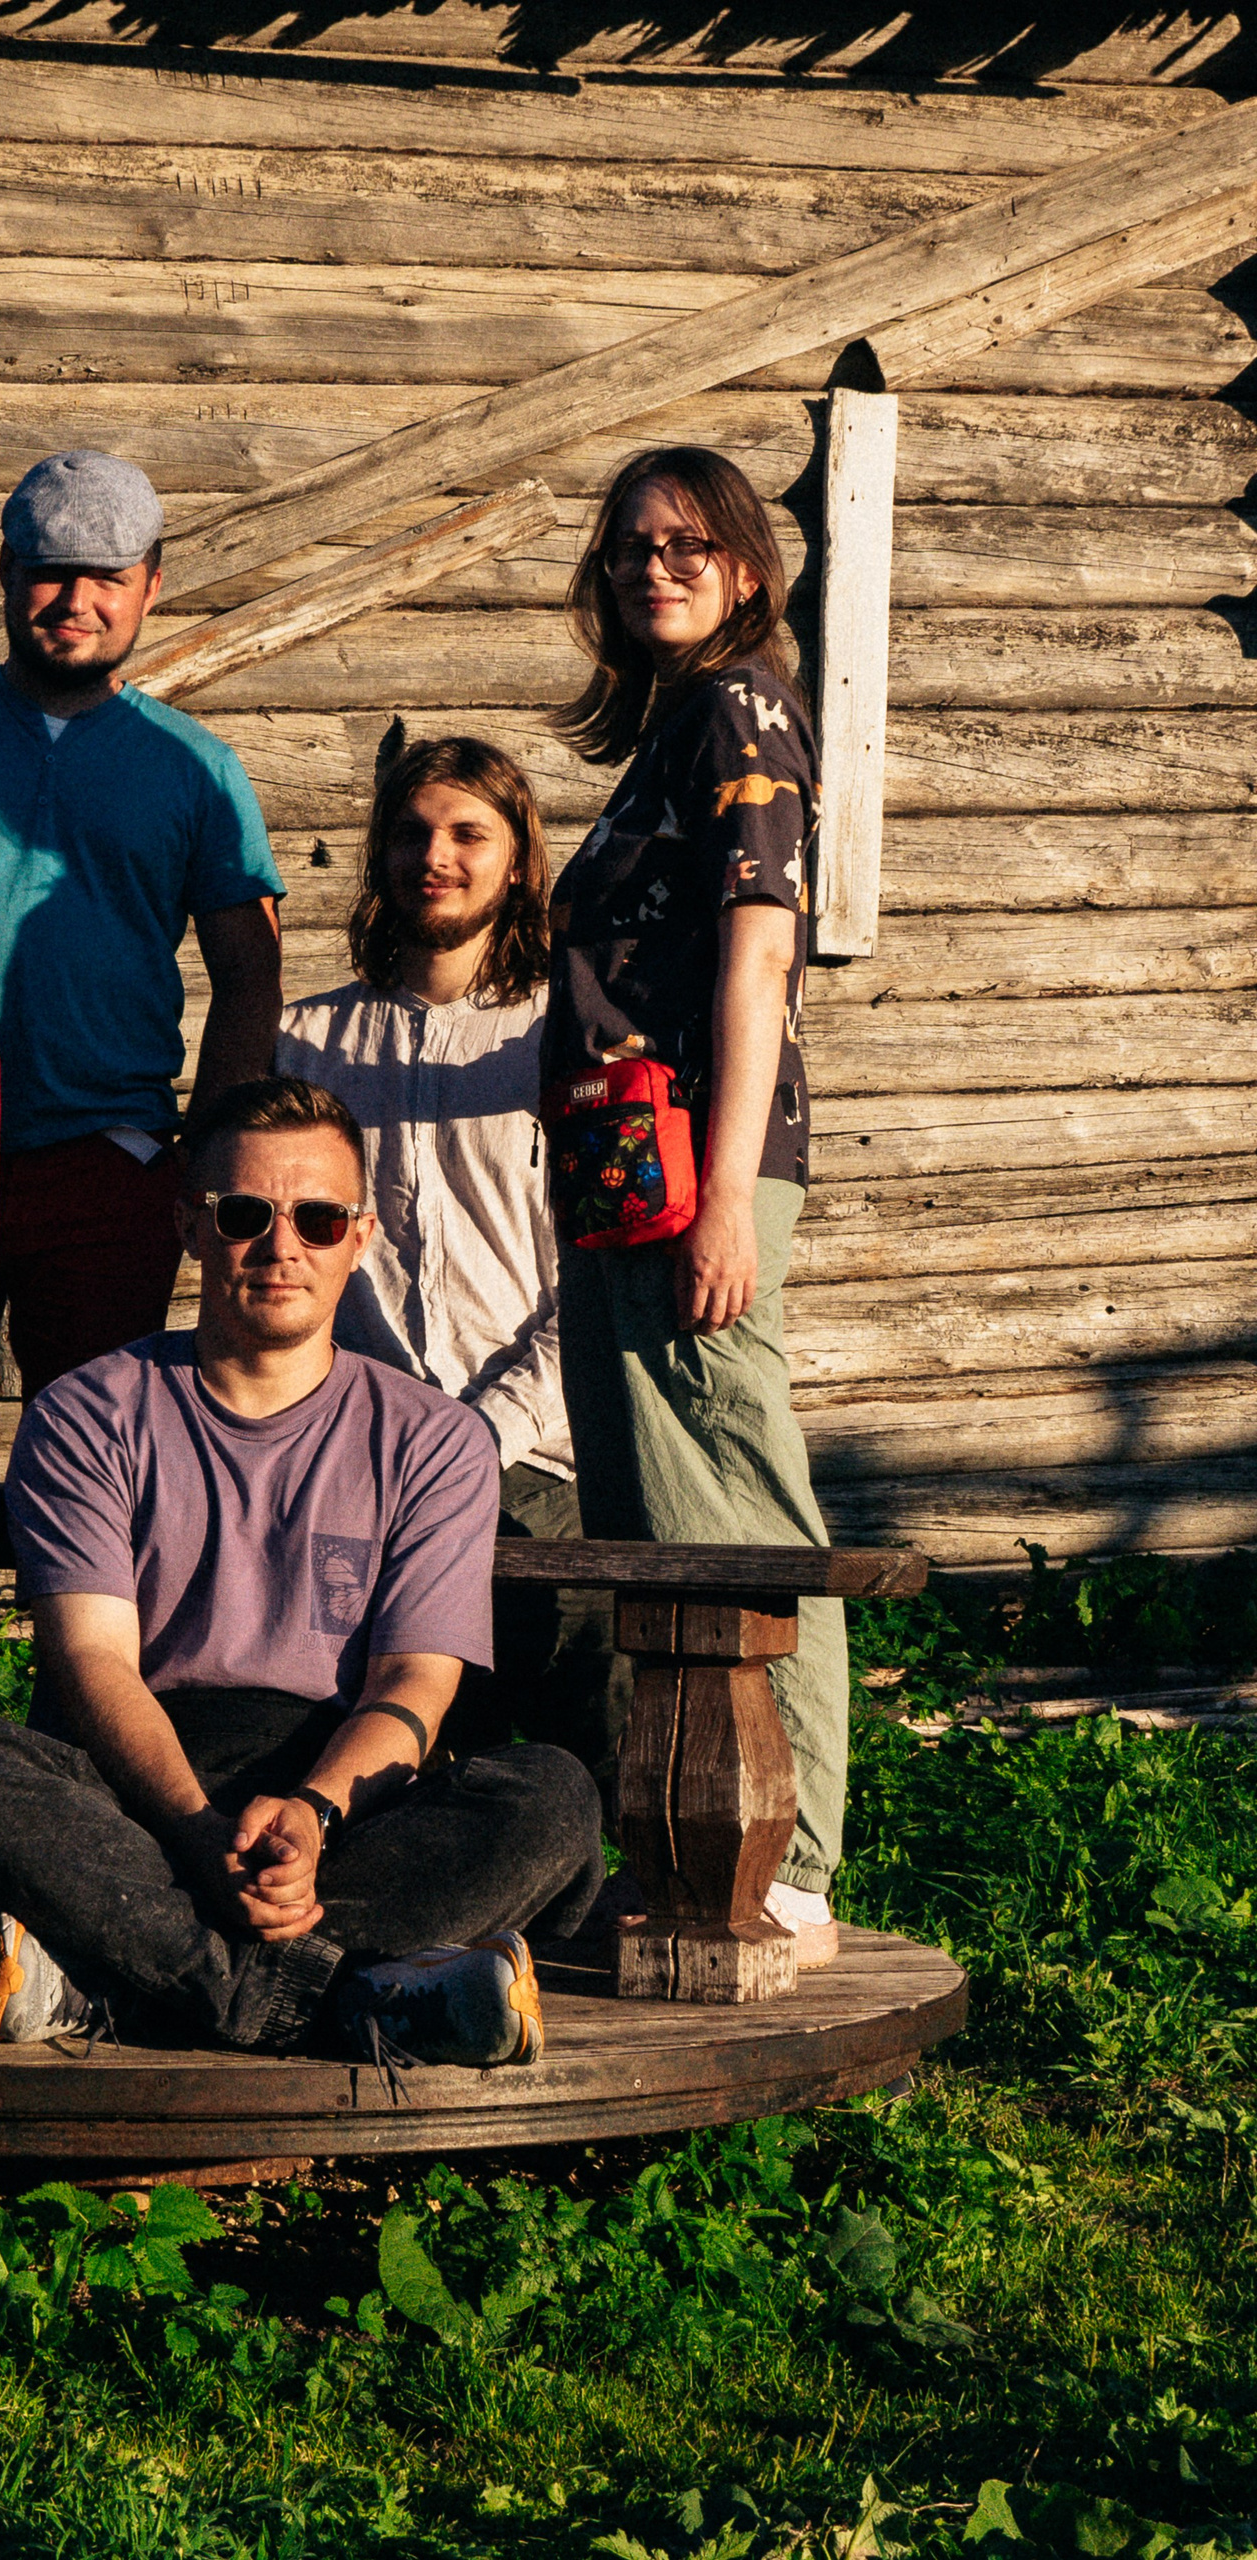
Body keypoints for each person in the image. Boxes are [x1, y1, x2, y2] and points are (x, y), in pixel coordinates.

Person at [0, 1077, 604, 2061]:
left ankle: (129, 1979)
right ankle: (342, 1998)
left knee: (551, 1798)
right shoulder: (87, 1412)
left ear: (360, 1236)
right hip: (133, 1794)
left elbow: (414, 1682)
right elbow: (92, 1662)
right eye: (243, 1214)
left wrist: (310, 1814)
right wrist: (193, 1830)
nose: (281, 1246)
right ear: (189, 1224)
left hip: (339, 1800)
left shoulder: (435, 1440)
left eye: (317, 1219)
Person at [543, 444, 849, 1965]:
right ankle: (686, 1846)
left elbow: (757, 953)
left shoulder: (744, 707)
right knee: (651, 1515)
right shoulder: (670, 727)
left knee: (731, 1497)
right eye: (628, 547)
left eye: (685, 544)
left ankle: (790, 1859)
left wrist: (726, 1195)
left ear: (744, 566)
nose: (651, 567)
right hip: (627, 1170)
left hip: (696, 1169)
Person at [0, 449, 285, 1404]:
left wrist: (204, 1159)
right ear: (6, 569)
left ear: (152, 585)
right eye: (51, 571)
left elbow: (250, 973)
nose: (77, 601)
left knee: (91, 1439)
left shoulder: (196, 767)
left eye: (108, 577)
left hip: (108, 1163)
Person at [276, 734, 629, 1810]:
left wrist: (486, 1431)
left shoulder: (566, 1035)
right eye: (411, 832)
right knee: (392, 1772)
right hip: (367, 1465)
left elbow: (600, 1274)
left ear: (518, 860)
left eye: (468, 833)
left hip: (544, 1461)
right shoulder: (308, 1041)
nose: (435, 856)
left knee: (594, 1746)